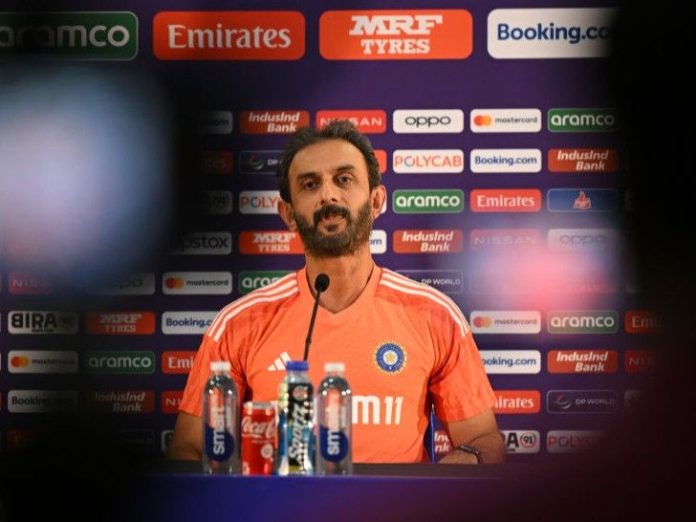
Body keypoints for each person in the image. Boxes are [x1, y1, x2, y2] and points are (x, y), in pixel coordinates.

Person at [167, 120, 505, 464]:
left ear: (376, 200)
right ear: (288, 214)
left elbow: (484, 439)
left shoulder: (434, 315)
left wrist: (464, 462)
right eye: (310, 184)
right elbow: (188, 450)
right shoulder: (239, 323)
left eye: (344, 179)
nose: (328, 195)